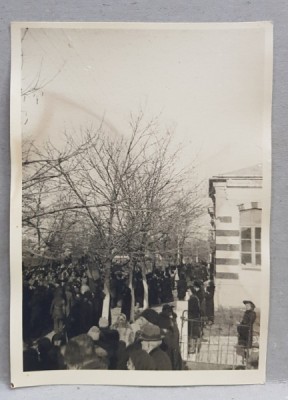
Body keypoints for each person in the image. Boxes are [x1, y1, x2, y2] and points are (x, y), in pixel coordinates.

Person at [187, 286, 202, 354]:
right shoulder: (195, 297)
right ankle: (196, 348)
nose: (188, 292)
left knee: (192, 334)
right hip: (196, 317)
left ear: (192, 291)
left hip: (193, 318)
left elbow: (191, 309)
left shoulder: (192, 299)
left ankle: (193, 349)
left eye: (189, 291)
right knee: (195, 334)